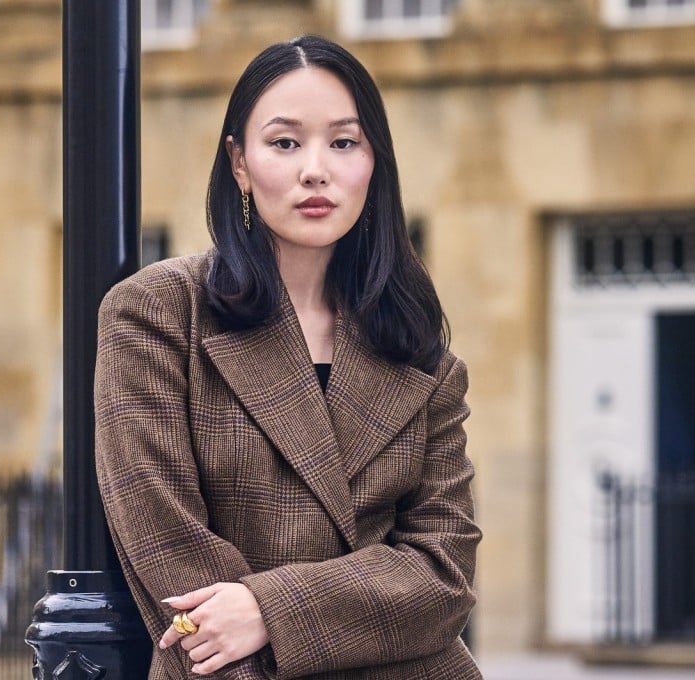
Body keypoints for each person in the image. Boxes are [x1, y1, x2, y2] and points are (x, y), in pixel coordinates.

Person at [94, 35, 483, 679]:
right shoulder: (159, 313)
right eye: (284, 142)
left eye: (343, 142)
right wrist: (334, 604)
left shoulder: (423, 360)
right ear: (239, 163)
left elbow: (443, 576)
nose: (315, 169)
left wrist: (269, 610)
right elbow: (168, 552)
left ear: (374, 164)